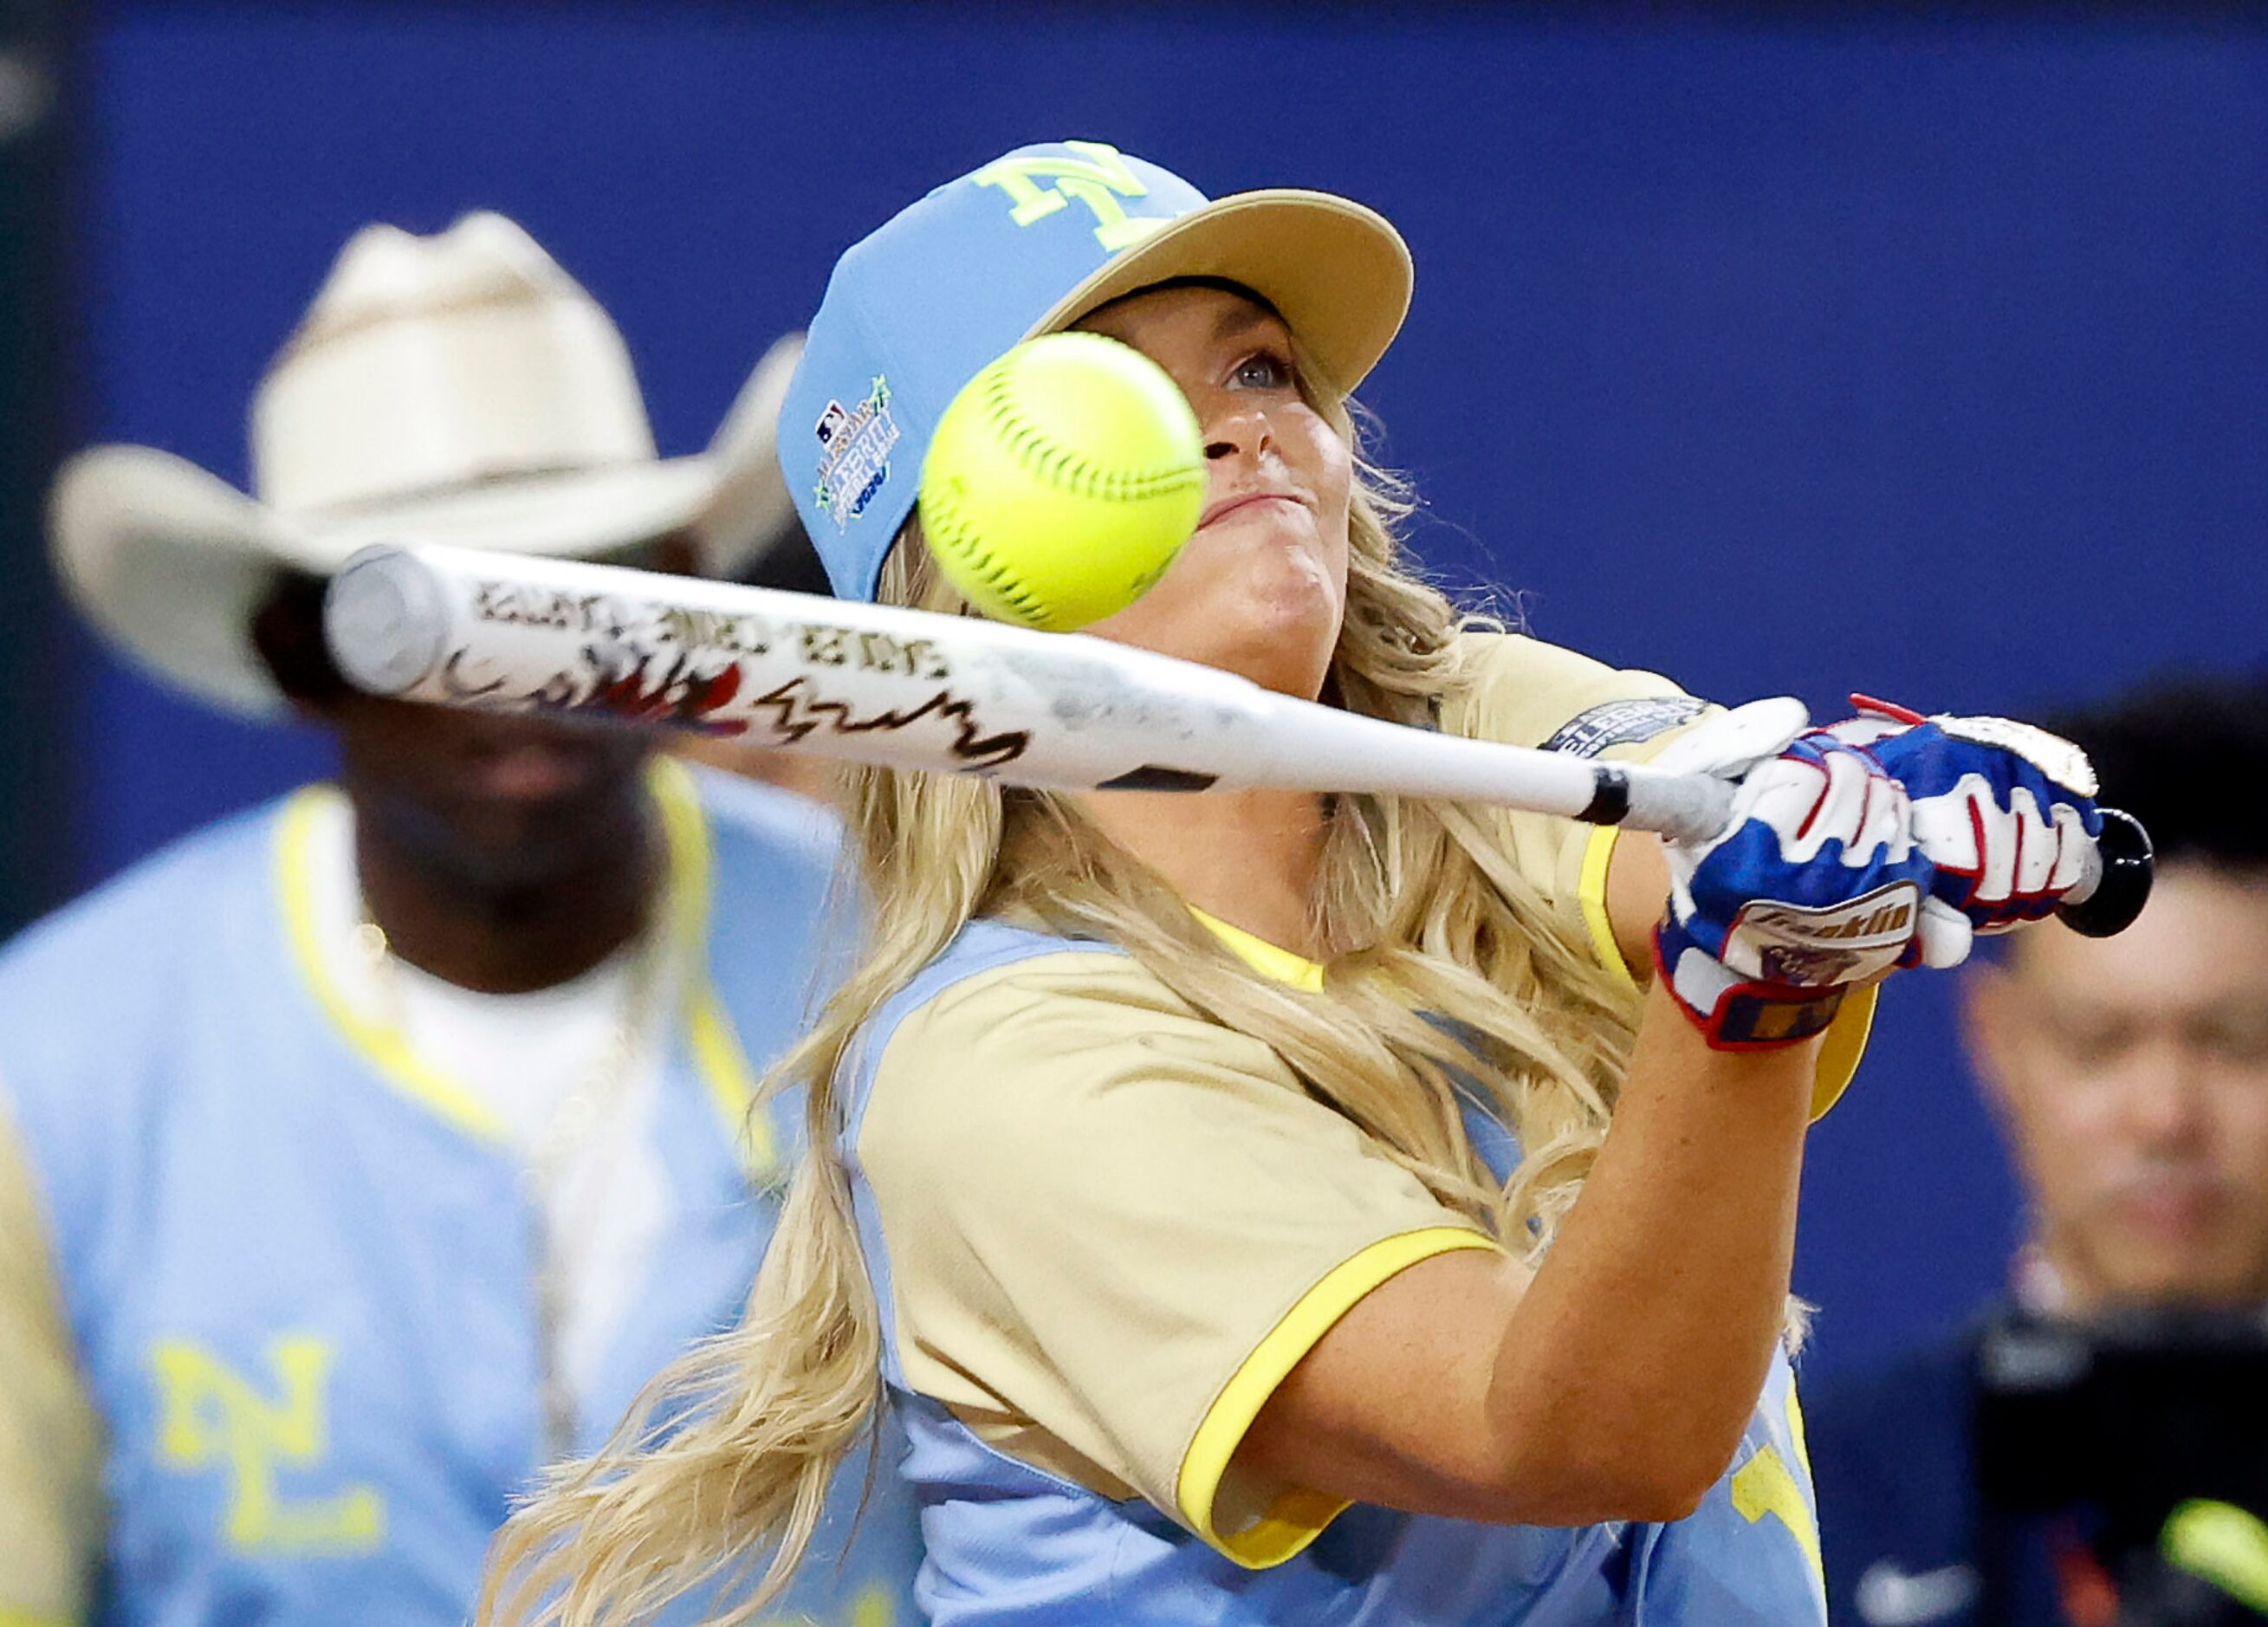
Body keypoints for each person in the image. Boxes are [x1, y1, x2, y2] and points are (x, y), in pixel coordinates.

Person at [480, 139, 2102, 1627]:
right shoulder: (1001, 1065)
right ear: (954, 569)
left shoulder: (1464, 715)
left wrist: (1861, 798)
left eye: (1261, 364)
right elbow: (1576, 1429)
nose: (1241, 420)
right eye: (1104, 407)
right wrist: (1749, 986)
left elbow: (1672, 843)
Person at [0, 214, 921, 1624]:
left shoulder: (913, 963)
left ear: (676, 594)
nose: (520, 665)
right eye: (422, 607)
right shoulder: (51, 1069)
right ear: (296, 650)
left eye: (580, 585)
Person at [1814, 674, 2268, 1627]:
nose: (2165, 1115)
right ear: (1995, 1042)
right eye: (2097, 1041)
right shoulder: (1817, 1493)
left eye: (2239, 1040)